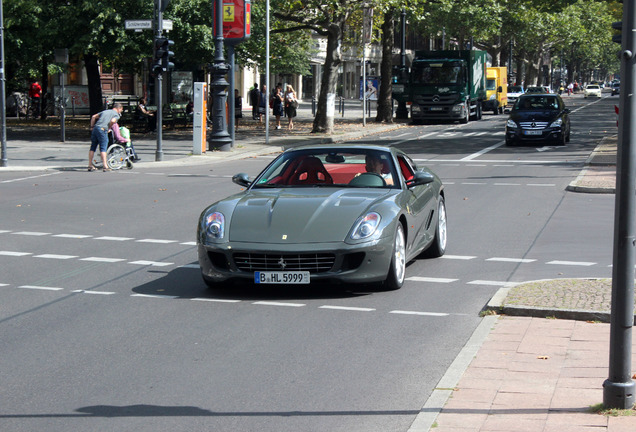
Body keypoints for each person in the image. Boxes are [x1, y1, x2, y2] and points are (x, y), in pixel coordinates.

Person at [88, 103, 124, 172]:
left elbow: (93, 117)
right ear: (119, 108)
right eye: (121, 110)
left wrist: (92, 127)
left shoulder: (105, 111)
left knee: (93, 147)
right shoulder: (116, 114)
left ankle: (90, 165)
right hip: (103, 129)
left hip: (95, 128)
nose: (120, 112)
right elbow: (113, 121)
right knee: (103, 148)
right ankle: (105, 166)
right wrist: (109, 127)